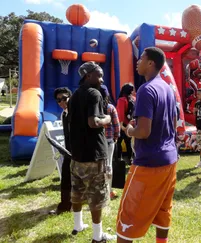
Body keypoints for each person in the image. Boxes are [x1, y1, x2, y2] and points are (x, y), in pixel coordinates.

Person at [116, 47, 178, 243]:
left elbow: (143, 131)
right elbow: (173, 121)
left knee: (128, 217)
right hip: (170, 160)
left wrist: (129, 130)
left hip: (149, 163)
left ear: (151, 63)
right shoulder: (167, 88)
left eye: (141, 57)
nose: (138, 61)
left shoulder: (146, 89)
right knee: (163, 209)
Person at [68, 61, 115, 243]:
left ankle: (77, 225)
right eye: (99, 75)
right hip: (94, 155)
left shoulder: (73, 97)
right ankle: (98, 237)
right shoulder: (94, 93)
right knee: (96, 197)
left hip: (77, 155)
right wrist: (108, 118)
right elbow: (93, 122)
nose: (102, 79)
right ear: (88, 76)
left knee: (77, 192)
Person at [49, 87, 73, 215]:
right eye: (59, 100)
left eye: (64, 98)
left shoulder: (77, 112)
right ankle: (65, 205)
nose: (62, 102)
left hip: (81, 152)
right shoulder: (63, 114)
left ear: (70, 97)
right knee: (65, 179)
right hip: (68, 152)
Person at [99, 85, 121, 200]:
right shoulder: (110, 107)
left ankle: (98, 190)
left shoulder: (94, 107)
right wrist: (116, 136)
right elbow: (116, 124)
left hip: (97, 141)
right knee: (108, 165)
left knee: (97, 166)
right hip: (108, 140)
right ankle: (109, 191)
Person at [116, 83, 135, 165]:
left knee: (118, 142)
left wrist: (121, 126)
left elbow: (120, 113)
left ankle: (119, 159)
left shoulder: (121, 100)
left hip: (122, 124)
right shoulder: (133, 99)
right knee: (128, 142)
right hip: (130, 124)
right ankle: (130, 159)